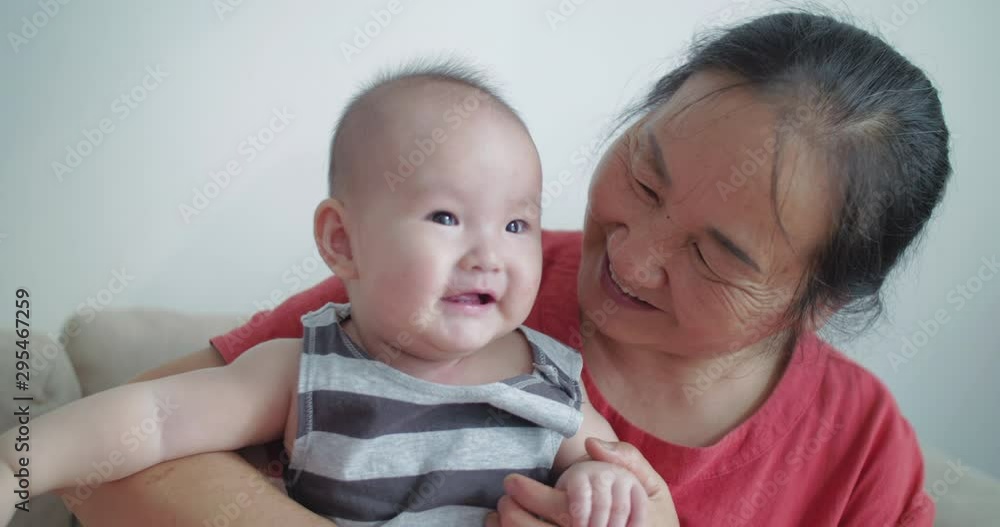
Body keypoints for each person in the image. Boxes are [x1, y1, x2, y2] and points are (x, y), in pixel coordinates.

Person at [62, 10, 951, 527]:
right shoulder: (455, 293)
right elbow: (103, 465)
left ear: (817, 301)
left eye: (715, 257)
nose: (631, 256)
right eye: (643, 177)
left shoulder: (861, 454)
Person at [1, 66, 658, 527]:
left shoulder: (553, 382)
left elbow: (612, 477)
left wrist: (594, 487)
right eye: (446, 218)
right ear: (343, 241)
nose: (489, 252)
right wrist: (19, 461)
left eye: (516, 224)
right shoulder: (305, 369)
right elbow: (159, 416)